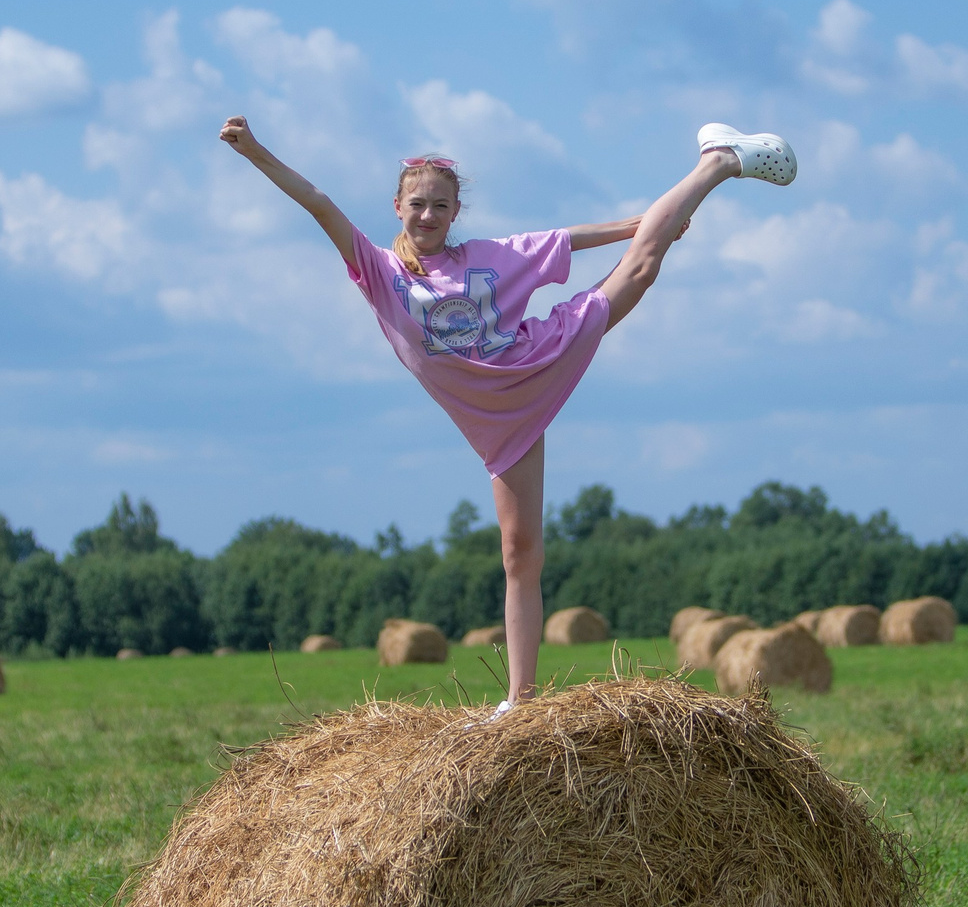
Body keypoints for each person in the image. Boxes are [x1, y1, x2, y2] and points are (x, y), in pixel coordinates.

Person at [218, 115, 797, 711]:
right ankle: (520, 701)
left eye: (440, 206)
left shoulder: (488, 256)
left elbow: (566, 241)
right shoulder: (379, 271)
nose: (427, 216)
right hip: (497, 423)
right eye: (417, 204)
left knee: (643, 266)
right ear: (396, 207)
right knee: (519, 551)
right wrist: (254, 151)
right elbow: (318, 202)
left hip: (540, 359)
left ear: (454, 211)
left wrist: (641, 227)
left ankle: (718, 162)